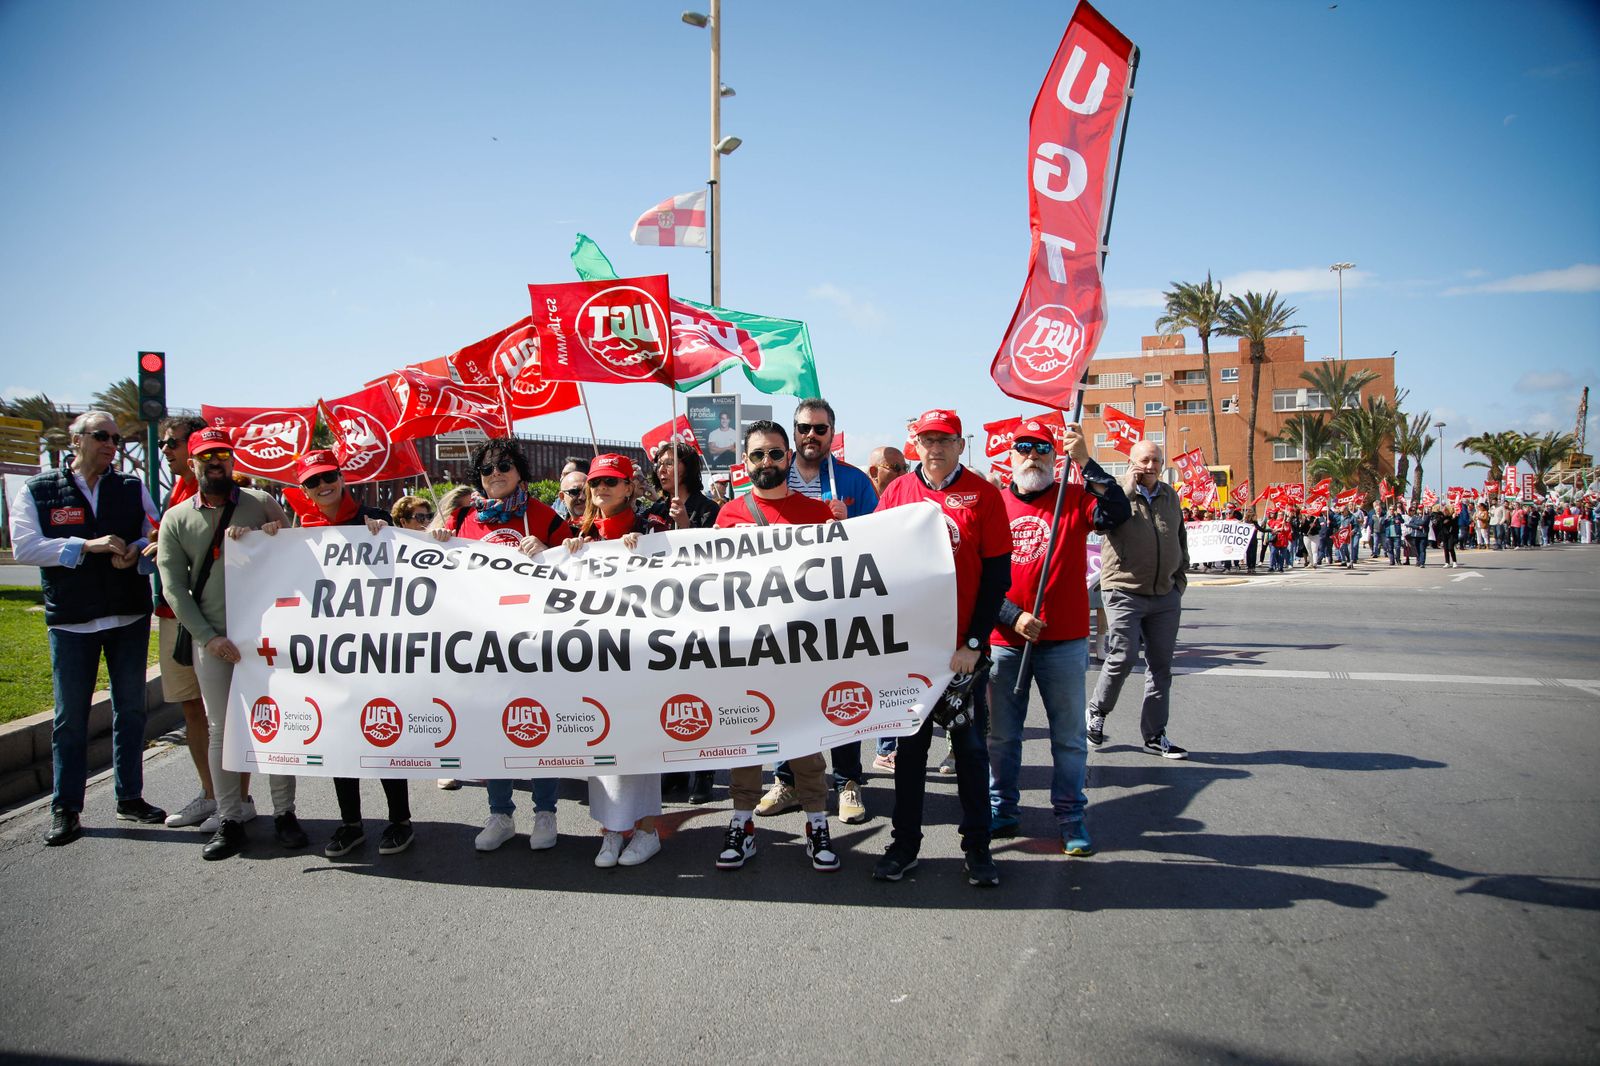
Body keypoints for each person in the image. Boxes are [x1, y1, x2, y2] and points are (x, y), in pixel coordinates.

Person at [10, 410, 167, 845]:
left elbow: (153, 533)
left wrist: (137, 550)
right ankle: (66, 808)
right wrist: (85, 545)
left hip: (127, 615)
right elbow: (24, 546)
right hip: (72, 621)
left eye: (116, 438)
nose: (111, 445)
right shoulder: (39, 489)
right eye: (102, 436)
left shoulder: (131, 487)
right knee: (70, 718)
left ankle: (130, 798)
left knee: (132, 710)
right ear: (75, 440)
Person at [873, 408, 1012, 887]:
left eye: (945, 439)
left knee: (970, 751)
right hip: (910, 651)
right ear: (916, 444)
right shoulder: (896, 493)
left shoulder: (984, 495)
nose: (935, 448)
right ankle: (905, 844)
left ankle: (977, 847)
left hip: (962, 652)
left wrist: (974, 642)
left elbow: (997, 576)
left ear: (960, 444)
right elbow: (874, 564)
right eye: (927, 439)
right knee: (908, 752)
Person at [157, 426, 305, 860]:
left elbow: (296, 559)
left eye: (223, 454)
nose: (216, 461)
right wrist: (209, 638)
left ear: (232, 459)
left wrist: (279, 534)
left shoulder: (260, 503)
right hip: (216, 642)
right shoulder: (177, 518)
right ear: (193, 463)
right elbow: (174, 588)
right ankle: (229, 817)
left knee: (277, 722)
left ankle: (284, 814)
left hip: (268, 638)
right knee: (222, 729)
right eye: (207, 456)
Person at [987, 420, 1129, 857]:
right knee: (1002, 737)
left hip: (1065, 641)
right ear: (1011, 456)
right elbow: (976, 576)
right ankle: (1002, 809)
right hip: (1005, 641)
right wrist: (1013, 616)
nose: (1033, 456)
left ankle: (1070, 817)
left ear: (1056, 455)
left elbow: (1118, 513)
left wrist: (1086, 461)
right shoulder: (993, 505)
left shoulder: (1075, 498)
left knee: (1068, 738)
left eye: (1043, 449)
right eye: (1024, 448)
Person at [711, 422, 842, 872]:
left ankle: (817, 824)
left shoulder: (820, 513)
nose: (766, 463)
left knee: (805, 741)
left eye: (774, 454)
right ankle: (742, 823)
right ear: (744, 463)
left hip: (800, 652)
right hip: (746, 652)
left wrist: (846, 532)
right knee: (746, 739)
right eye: (757, 456)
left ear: (789, 457)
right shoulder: (728, 515)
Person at [431, 438, 572, 851]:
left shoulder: (543, 515)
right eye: (488, 468)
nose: (496, 474)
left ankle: (545, 812)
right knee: (495, 726)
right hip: (485, 642)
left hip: (537, 639)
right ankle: (500, 814)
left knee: (539, 724)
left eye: (505, 466)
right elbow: (449, 577)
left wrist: (549, 551)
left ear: (520, 472)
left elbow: (578, 571)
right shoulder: (465, 520)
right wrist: (440, 544)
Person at [279, 450, 415, 858]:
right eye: (313, 483)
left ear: (342, 477)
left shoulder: (374, 519)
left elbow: (404, 570)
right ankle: (350, 823)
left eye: (329, 477)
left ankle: (399, 820)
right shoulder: (301, 529)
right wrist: (268, 537)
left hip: (374, 649)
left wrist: (384, 533)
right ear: (304, 490)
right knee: (338, 736)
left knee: (382, 730)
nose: (323, 487)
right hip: (328, 651)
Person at [758, 398, 878, 825]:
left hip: (837, 612)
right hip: (782, 615)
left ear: (832, 434)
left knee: (842, 695)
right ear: (794, 432)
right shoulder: (772, 476)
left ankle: (847, 781)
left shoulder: (854, 482)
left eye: (820, 429)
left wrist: (850, 529)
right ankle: (786, 779)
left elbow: (879, 542)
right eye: (804, 428)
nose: (811, 435)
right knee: (785, 700)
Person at [561, 453, 665, 868]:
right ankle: (609, 832)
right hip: (595, 658)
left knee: (641, 744)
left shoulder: (653, 527)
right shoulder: (578, 533)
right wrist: (566, 552)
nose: (601, 489)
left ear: (629, 486)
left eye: (611, 482)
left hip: (641, 655)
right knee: (600, 744)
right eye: (596, 483)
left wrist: (648, 551)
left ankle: (645, 830)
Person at [141, 414, 234, 830]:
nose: (167, 450)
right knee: (197, 712)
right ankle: (212, 795)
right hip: (182, 623)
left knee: (223, 716)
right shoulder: (177, 504)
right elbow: (174, 581)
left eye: (173, 442)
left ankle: (233, 800)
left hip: (224, 627)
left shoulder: (251, 501)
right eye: (165, 444)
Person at [1086, 440, 1191, 760]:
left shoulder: (1170, 496)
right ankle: (1097, 710)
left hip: (1164, 595)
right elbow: (1106, 522)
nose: (1150, 466)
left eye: (1156, 460)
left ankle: (1155, 734)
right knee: (1123, 656)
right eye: (1144, 460)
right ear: (1130, 462)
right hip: (1123, 591)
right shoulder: (1116, 491)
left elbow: (1179, 537)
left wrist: (1179, 580)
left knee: (1161, 667)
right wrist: (1128, 488)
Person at [644, 440, 719, 804]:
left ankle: (703, 774)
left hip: (699, 615)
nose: (662, 468)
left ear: (688, 467)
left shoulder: (708, 508)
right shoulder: (653, 509)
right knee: (667, 696)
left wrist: (685, 526)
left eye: (671, 462)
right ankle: (673, 769)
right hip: (661, 616)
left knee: (700, 695)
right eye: (659, 463)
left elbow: (714, 558)